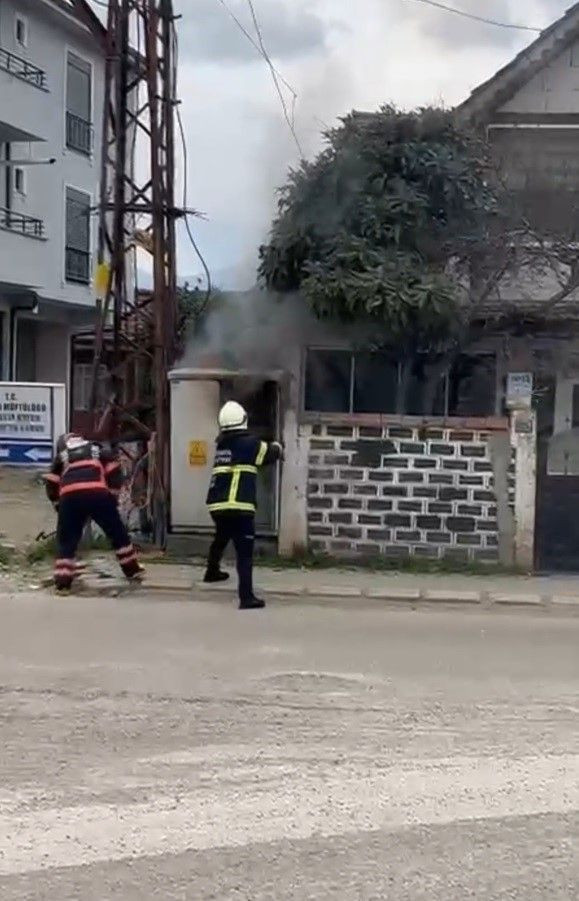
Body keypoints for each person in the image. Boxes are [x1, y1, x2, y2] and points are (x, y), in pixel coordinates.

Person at [205, 401, 283, 610]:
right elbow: (270, 454)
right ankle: (246, 597)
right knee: (244, 552)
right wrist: (278, 445)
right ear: (243, 420)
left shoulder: (221, 444)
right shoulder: (250, 443)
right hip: (239, 506)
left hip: (217, 505)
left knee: (220, 538)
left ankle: (211, 572)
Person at [43, 433, 144, 592]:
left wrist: (59, 506)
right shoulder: (97, 449)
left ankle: (63, 581)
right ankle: (132, 571)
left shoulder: (62, 456)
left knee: (66, 540)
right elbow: (114, 471)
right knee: (117, 534)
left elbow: (51, 481)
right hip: (97, 493)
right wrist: (112, 496)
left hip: (70, 497)